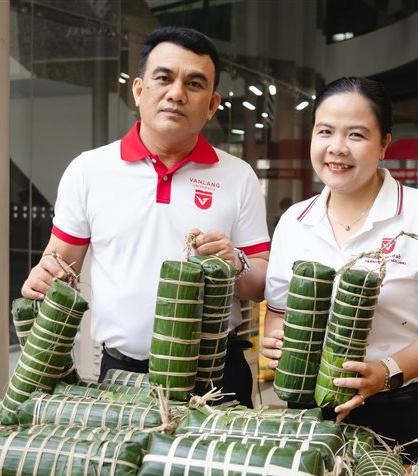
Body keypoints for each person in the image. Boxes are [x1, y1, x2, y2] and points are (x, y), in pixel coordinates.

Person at [21, 26, 270, 408]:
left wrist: (235, 263)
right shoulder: (89, 170)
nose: (177, 93)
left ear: (212, 104)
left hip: (216, 376)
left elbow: (260, 284)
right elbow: (59, 265)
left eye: (194, 83)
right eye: (164, 78)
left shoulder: (238, 176)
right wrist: (43, 277)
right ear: (139, 90)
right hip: (122, 377)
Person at [261, 77, 418, 461]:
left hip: (405, 409)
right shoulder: (294, 221)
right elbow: (278, 312)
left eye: (356, 135)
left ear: (383, 145)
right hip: (313, 411)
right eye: (325, 131)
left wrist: (387, 371)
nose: (337, 147)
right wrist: (279, 341)